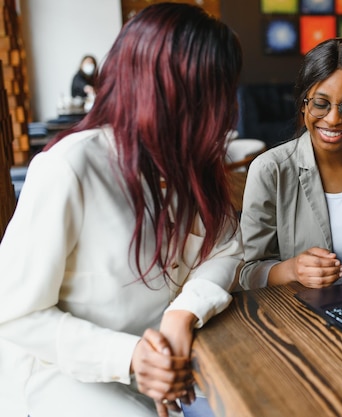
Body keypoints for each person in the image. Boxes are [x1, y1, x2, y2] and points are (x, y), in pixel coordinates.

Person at [0, 4, 244, 417]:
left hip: (150, 372)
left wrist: (183, 313)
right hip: (55, 376)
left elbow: (226, 250)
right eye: (212, 98)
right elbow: (15, 316)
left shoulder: (187, 166)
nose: (223, 117)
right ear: (164, 89)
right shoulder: (69, 168)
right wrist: (130, 355)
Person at [239, 38, 342, 290]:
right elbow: (247, 273)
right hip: (296, 319)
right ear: (303, 105)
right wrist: (292, 268)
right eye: (320, 104)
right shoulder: (270, 170)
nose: (333, 119)